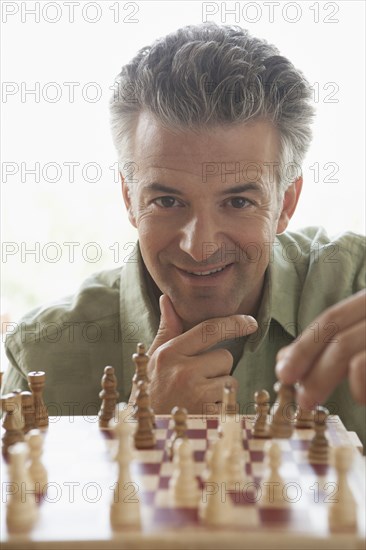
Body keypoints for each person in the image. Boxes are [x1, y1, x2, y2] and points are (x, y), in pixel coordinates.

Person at [2, 24, 365, 445]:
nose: (201, 246)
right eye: (169, 202)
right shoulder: (42, 352)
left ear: (285, 203)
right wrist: (142, 434)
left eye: (238, 202)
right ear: (129, 198)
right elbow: (20, 506)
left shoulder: (354, 287)